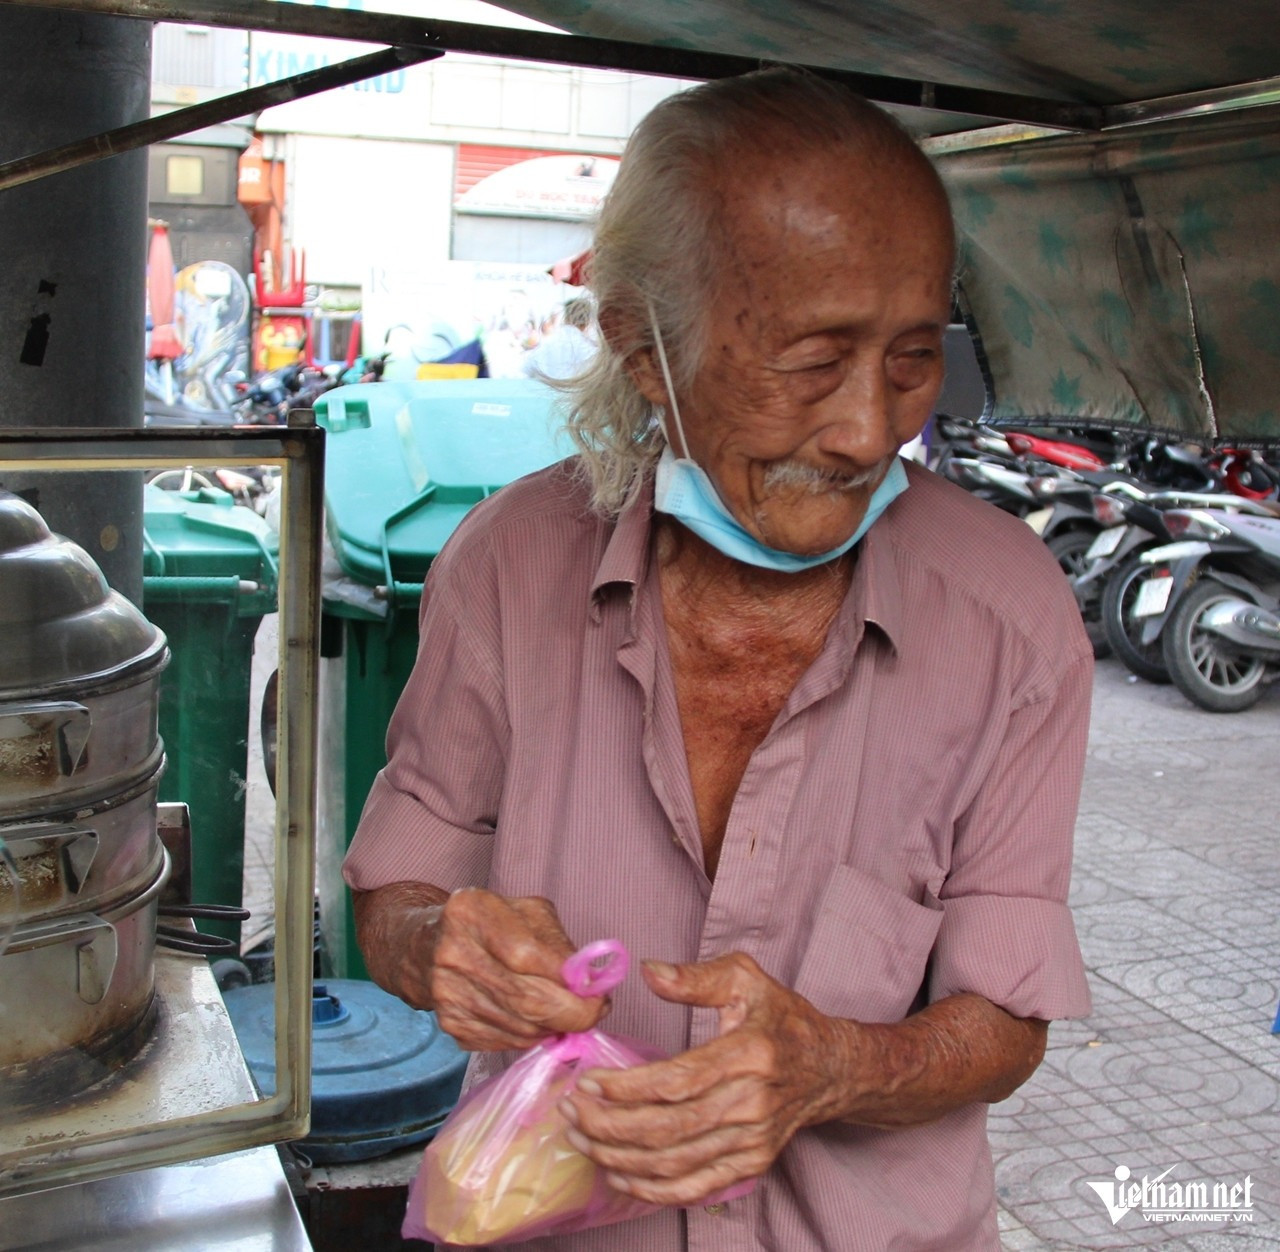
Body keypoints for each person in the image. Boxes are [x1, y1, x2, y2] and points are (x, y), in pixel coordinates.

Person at [344, 67, 1092, 1251]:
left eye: (909, 357)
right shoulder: (503, 568)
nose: (863, 429)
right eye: (809, 359)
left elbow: (1005, 1016)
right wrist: (444, 944)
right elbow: (392, 900)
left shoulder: (1007, 613)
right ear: (645, 346)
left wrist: (832, 1065)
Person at [521, 294, 599, 380]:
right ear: (588, 321)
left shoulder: (546, 344)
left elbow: (526, 369)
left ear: (566, 317)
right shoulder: (589, 349)